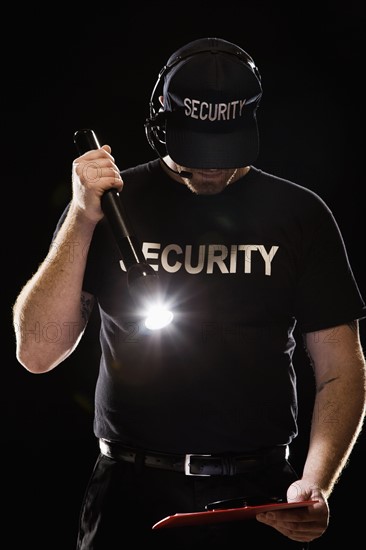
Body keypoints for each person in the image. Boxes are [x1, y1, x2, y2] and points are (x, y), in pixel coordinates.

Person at [12, 37, 366, 549]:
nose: (212, 169)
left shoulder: (301, 216)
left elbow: (340, 367)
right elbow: (37, 352)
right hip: (128, 492)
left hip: (259, 495)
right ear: (160, 125)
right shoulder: (109, 208)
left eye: (225, 150)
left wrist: (316, 481)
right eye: (197, 150)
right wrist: (81, 218)